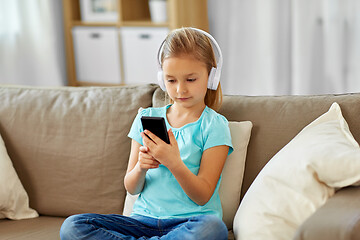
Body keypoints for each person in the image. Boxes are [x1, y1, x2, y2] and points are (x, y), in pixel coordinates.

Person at [60, 27, 233, 240]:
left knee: (213, 229)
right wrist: (141, 167)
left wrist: (174, 163)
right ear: (162, 79)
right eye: (171, 80)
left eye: (190, 79)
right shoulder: (147, 118)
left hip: (188, 223)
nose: (180, 90)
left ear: (211, 77)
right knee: (73, 226)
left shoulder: (214, 125)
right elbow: (131, 187)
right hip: (141, 222)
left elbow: (203, 195)